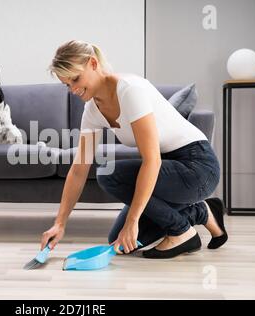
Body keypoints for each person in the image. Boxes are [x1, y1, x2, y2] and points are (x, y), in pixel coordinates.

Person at [40, 40, 228, 259]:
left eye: (75, 79)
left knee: (108, 174)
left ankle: (183, 232)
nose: (72, 89)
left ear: (93, 63)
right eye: (66, 84)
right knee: (119, 241)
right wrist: (59, 224)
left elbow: (152, 161)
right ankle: (202, 211)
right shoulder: (92, 111)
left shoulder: (130, 90)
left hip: (197, 167)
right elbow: (79, 169)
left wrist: (133, 220)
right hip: (167, 173)